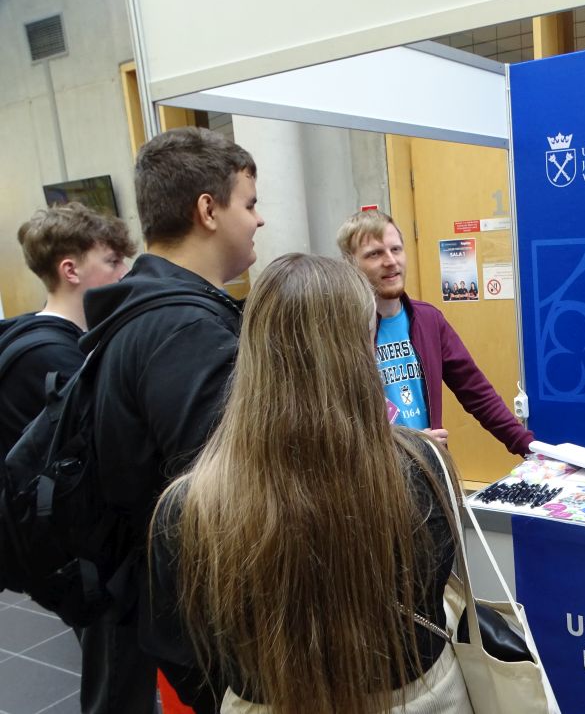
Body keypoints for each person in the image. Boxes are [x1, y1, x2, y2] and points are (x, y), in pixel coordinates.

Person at [149, 254, 473, 714]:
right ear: (363, 349)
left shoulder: (188, 506)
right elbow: (434, 588)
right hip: (418, 697)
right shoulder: (422, 467)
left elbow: (184, 655)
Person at [80, 127, 263, 713]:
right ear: (208, 210)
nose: (259, 220)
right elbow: (225, 498)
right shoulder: (185, 330)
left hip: (170, 604)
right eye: (249, 204)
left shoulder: (143, 310)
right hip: (210, 626)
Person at [337, 208, 533, 455]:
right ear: (349, 263)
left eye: (395, 249)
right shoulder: (340, 331)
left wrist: (529, 448)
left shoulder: (428, 320)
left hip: (430, 467)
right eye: (375, 254)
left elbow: (477, 393)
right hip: (375, 471)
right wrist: (407, 443)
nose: (390, 261)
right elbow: (337, 421)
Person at [0, 203, 135, 460]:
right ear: (70, 271)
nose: (125, 273)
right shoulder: (52, 355)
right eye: (113, 262)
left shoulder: (43, 338)